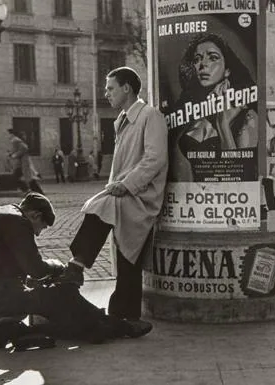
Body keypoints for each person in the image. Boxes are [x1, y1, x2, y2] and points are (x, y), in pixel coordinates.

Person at [61, 67, 168, 336]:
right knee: (126, 257)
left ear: (127, 88)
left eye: (110, 88)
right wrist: (119, 186)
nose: (105, 93)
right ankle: (126, 317)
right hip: (124, 194)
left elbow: (155, 159)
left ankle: (78, 263)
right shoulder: (121, 119)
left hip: (140, 195)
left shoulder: (150, 116)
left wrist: (126, 185)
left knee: (102, 207)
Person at [0, 192, 145, 344]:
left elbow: (10, 265)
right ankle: (115, 326)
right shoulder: (18, 222)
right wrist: (57, 267)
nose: (37, 233)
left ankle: (97, 326)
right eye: (41, 227)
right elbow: (36, 269)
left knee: (54, 299)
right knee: (62, 294)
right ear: (35, 215)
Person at [169, 33, 258, 181]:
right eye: (197, 59)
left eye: (213, 57)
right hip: (199, 199)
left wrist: (223, 125)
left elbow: (237, 178)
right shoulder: (193, 113)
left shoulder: (247, 117)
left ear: (227, 70)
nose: (203, 64)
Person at [9, 129, 44, 194]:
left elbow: (24, 148)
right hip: (21, 164)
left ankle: (30, 191)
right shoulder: (16, 141)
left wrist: (14, 155)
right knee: (26, 179)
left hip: (22, 164)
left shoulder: (16, 141)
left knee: (22, 178)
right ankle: (33, 191)